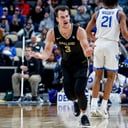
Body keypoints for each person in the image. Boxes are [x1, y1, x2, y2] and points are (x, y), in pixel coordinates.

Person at [32, 5, 93, 127]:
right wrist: (40, 55)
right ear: (57, 19)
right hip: (66, 64)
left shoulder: (79, 31)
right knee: (70, 94)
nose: (65, 19)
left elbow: (86, 48)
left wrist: (88, 51)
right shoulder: (52, 33)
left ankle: (84, 115)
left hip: (81, 64)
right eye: (62, 17)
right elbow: (47, 52)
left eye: (67, 16)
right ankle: (75, 102)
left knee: (79, 90)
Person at [86, 0, 128, 118]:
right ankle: (103, 108)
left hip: (99, 45)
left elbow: (87, 31)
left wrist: (96, 41)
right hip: (112, 45)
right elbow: (124, 33)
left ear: (103, 3)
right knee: (111, 77)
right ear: (116, 3)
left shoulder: (97, 13)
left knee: (97, 76)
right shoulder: (120, 14)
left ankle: (93, 107)